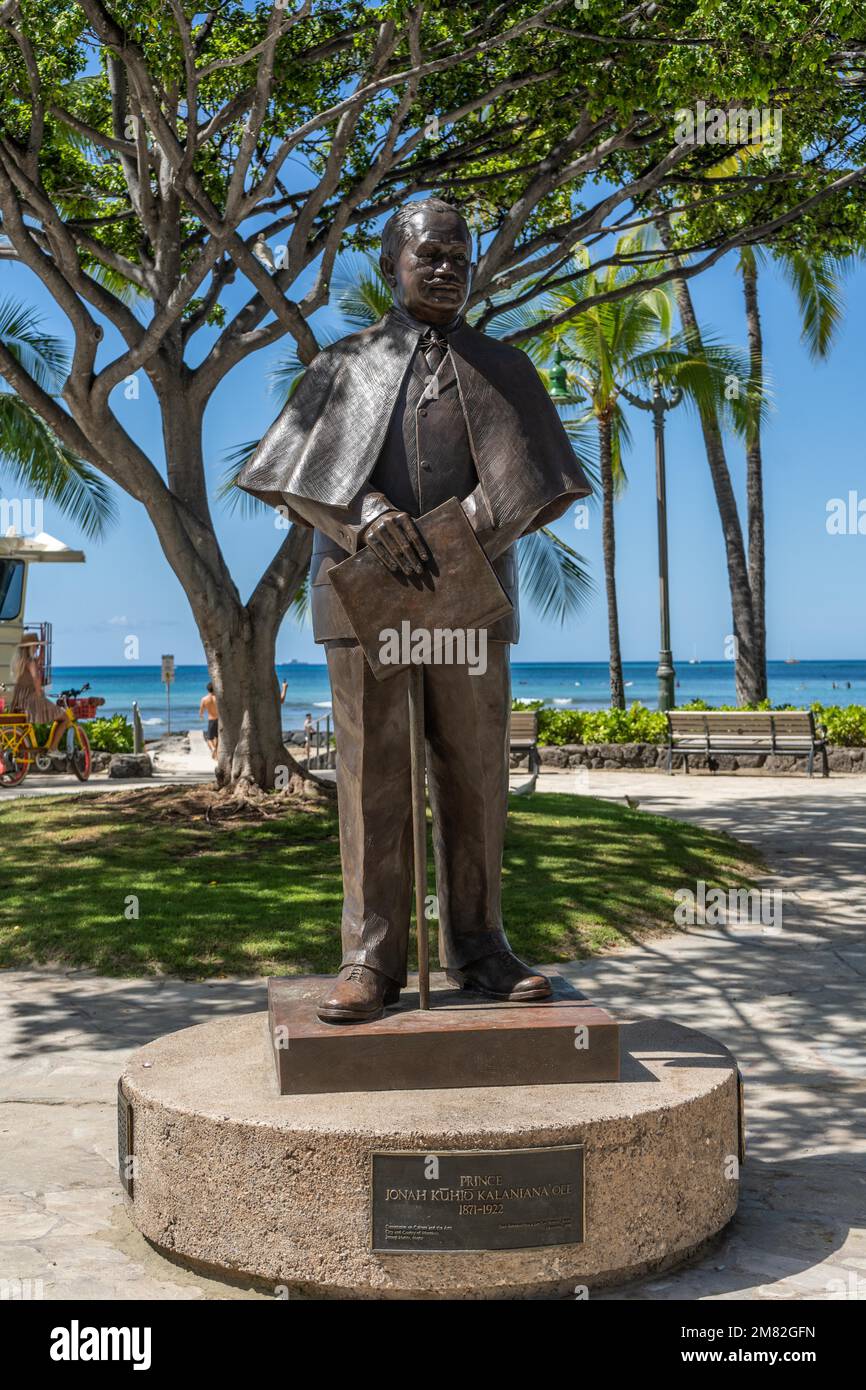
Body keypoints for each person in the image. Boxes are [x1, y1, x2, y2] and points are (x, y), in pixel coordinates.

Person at [238, 197, 590, 1024]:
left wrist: (475, 520)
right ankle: (368, 957)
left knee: (474, 774)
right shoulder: (342, 365)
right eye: (430, 254)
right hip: (366, 597)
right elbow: (293, 477)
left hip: (470, 596)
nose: (447, 267)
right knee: (373, 779)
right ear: (393, 262)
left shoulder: (506, 367)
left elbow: (541, 482)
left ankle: (482, 946)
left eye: (461, 256)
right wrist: (364, 515)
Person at [10, 633, 62, 722]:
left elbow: (40, 658)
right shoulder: (30, 662)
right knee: (63, 718)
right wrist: (39, 694)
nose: (37, 648)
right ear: (31, 647)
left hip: (21, 698)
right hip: (31, 698)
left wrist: (42, 646)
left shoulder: (21, 662)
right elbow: (35, 679)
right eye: (36, 646)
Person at [200, 682, 219, 759]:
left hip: (211, 719)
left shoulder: (204, 699)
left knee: (209, 738)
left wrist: (201, 716)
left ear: (207, 690)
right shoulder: (217, 698)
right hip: (219, 719)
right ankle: (217, 753)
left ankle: (213, 748)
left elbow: (201, 711)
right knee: (217, 737)